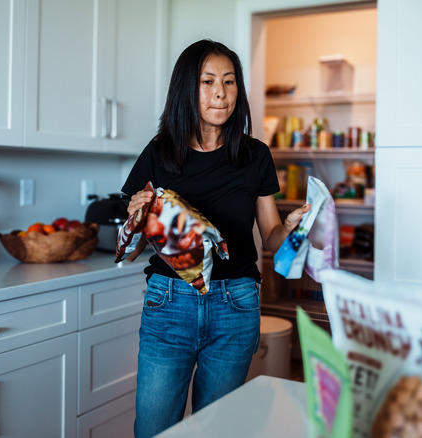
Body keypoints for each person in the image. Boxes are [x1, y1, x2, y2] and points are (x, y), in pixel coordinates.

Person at [121, 39, 309, 437]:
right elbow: (137, 248)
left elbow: (270, 238)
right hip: (169, 303)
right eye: (208, 82)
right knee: (154, 428)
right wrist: (138, 216)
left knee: (218, 429)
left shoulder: (254, 155)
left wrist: (289, 229)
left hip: (235, 304)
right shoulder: (159, 153)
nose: (220, 93)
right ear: (187, 89)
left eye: (229, 81)